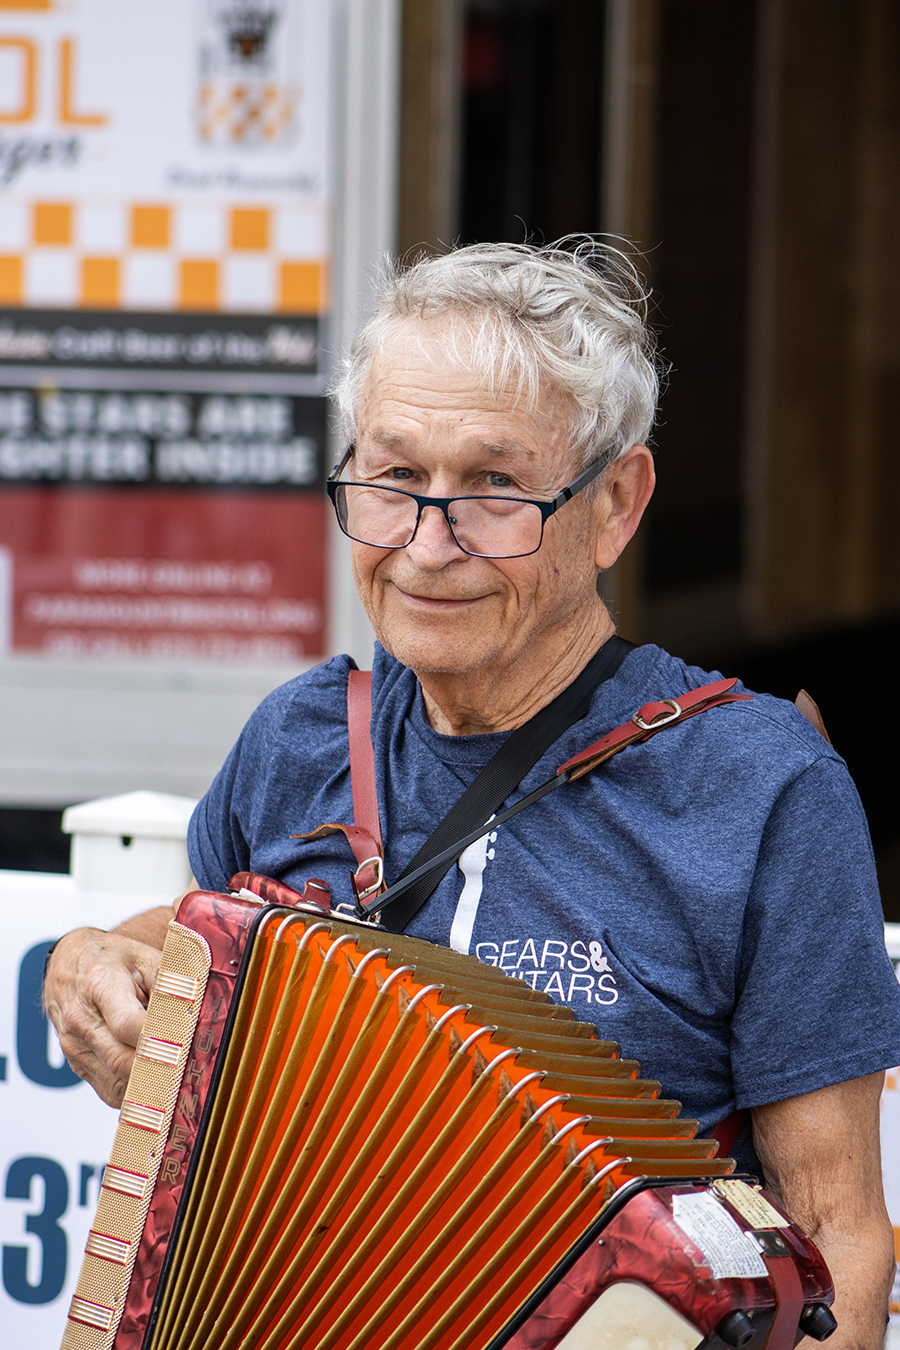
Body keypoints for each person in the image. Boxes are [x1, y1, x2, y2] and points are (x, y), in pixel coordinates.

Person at [44, 239, 900, 1348]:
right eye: (395, 479)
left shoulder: (761, 791)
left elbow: (840, 1236)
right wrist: (93, 955)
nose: (427, 545)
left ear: (617, 503)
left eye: (496, 487)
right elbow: (212, 945)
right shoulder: (302, 736)